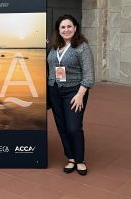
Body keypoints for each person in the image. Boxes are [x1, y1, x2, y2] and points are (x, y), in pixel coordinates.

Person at [47, 14, 94, 176]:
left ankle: (80, 160)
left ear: (75, 28)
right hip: (54, 90)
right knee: (62, 127)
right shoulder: (55, 47)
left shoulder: (82, 47)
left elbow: (88, 75)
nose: (66, 30)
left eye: (69, 26)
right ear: (58, 30)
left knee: (73, 127)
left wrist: (80, 94)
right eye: (62, 27)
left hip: (74, 91)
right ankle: (71, 158)